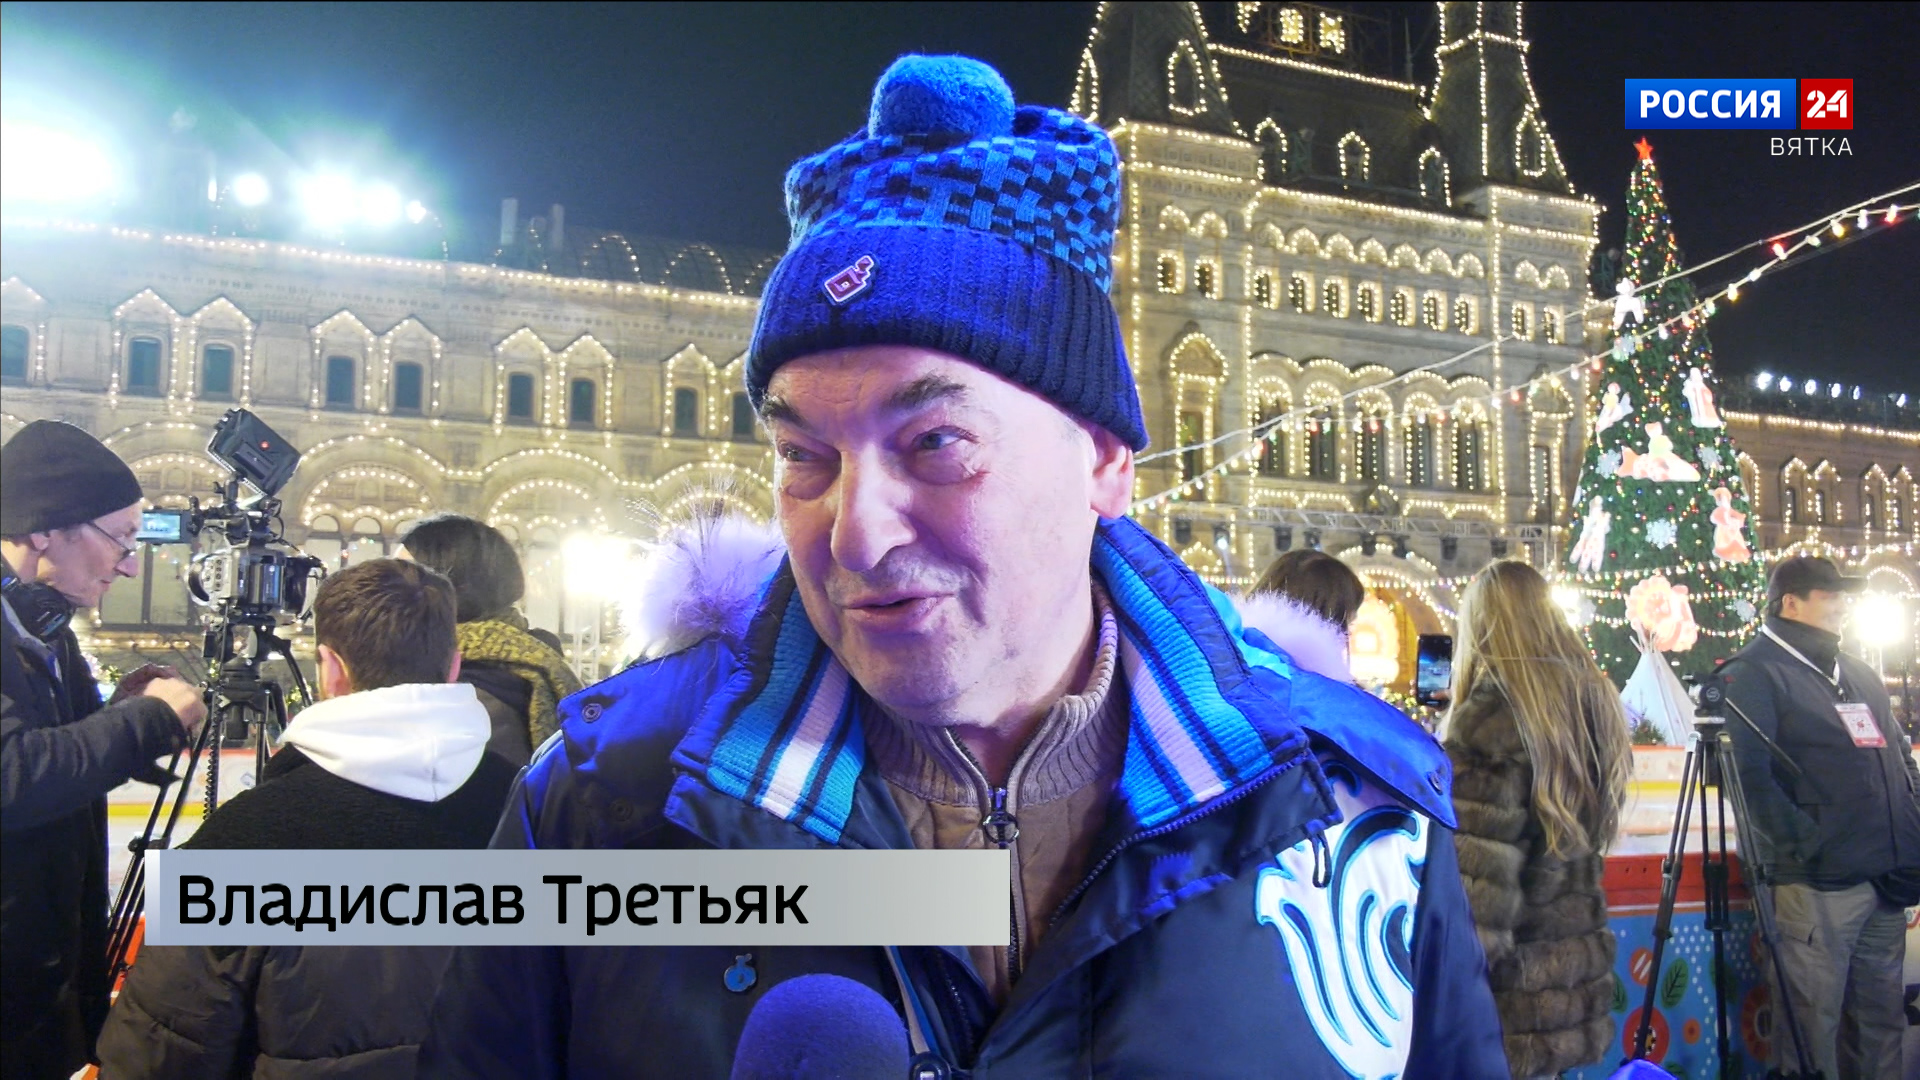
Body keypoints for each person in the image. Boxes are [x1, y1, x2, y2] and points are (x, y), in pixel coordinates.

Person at [420, 55, 1505, 1078]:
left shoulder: (1354, 801)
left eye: (936, 442)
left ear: (1104, 462)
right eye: (804, 456)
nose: (855, 536)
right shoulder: (604, 806)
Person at [95, 558, 518, 1079]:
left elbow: (158, 1054)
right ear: (453, 667)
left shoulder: (247, 836)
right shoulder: (532, 812)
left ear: (330, 669)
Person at [0, 419, 207, 1080]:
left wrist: (116, 716)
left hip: (39, 980)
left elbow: (51, 752)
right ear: (45, 529)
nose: (130, 563)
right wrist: (145, 723)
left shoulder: (46, 628)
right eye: (120, 538)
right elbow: (11, 775)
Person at [1721, 556, 1920, 1080]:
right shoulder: (1752, 673)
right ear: (1791, 603)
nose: (1844, 606)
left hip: (1885, 881)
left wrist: (1911, 830)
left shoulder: (1856, 670)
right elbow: (1747, 779)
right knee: (1810, 1031)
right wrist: (1809, 846)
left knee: (1880, 1026)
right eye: (1831, 596)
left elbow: (1900, 759)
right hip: (1817, 888)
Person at [1442, 559, 1631, 1079]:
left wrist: (1448, 992)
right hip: (1571, 971)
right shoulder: (1589, 705)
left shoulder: (1488, 723)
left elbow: (1477, 894)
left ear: (1482, 628)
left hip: (1510, 996)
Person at [397, 513, 581, 765]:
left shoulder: (471, 693)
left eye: (398, 580)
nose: (383, 593)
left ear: (450, 590)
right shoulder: (525, 658)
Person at [1238, 548, 1367, 682]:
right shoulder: (1321, 688)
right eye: (1349, 622)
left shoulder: (1232, 656)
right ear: (1332, 621)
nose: (1348, 636)